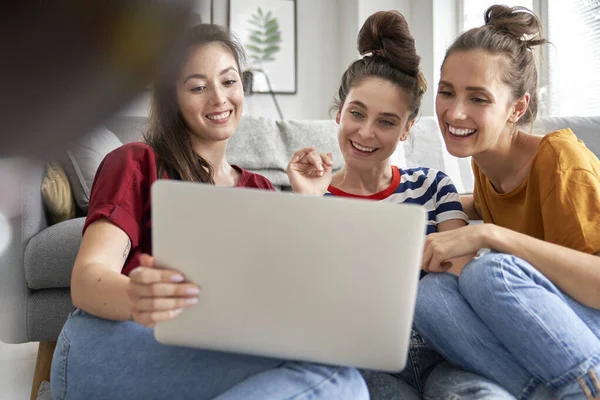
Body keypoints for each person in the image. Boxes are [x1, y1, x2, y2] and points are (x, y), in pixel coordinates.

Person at [49, 23, 368, 400]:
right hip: (111, 339)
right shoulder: (136, 163)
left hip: (208, 348)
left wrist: (309, 202)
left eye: (229, 82)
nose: (219, 98)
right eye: (198, 87)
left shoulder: (260, 189)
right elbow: (87, 279)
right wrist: (136, 295)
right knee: (337, 383)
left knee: (342, 377)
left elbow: (281, 299)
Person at [286, 10, 514, 399]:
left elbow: (457, 280)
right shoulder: (311, 196)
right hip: (365, 362)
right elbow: (299, 303)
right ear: (340, 112)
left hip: (445, 353)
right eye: (357, 113)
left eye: (387, 122)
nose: (366, 132)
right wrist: (309, 205)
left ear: (408, 129)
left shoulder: (433, 188)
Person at [413, 5, 600, 400]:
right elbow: (478, 204)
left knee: (489, 273)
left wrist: (494, 238)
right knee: (430, 297)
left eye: (478, 98)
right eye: (446, 92)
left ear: (516, 108)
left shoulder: (562, 162)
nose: (455, 111)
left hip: (591, 326)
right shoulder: (486, 160)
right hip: (552, 335)